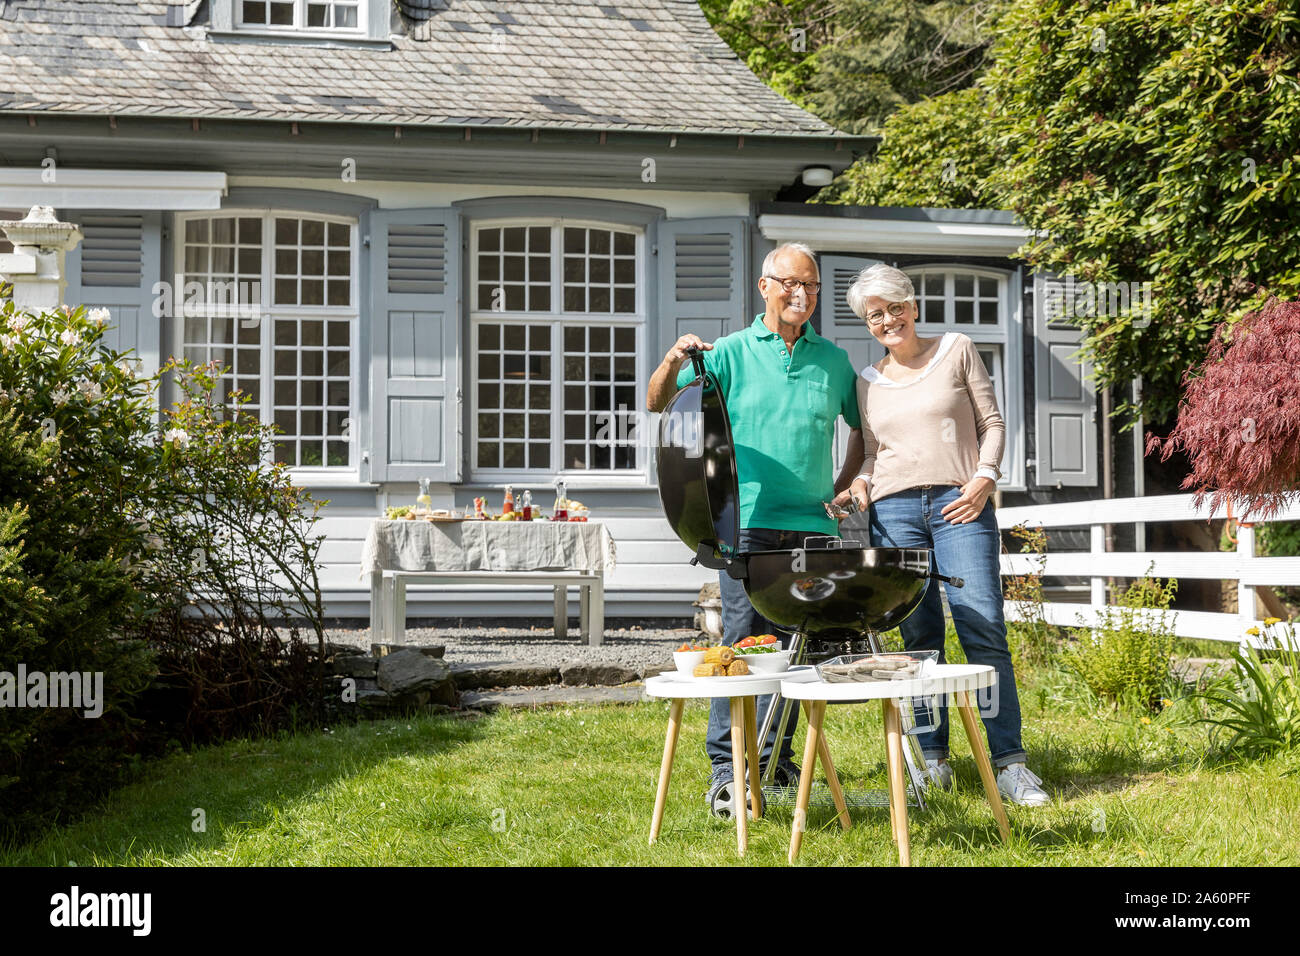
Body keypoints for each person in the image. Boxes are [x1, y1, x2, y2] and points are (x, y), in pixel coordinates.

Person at [647, 242, 864, 812]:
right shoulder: (731, 353)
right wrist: (673, 359)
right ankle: (727, 769)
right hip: (743, 525)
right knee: (742, 647)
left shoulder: (835, 362)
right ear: (765, 286)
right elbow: (658, 403)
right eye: (791, 283)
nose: (802, 295)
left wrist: (845, 482)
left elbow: (863, 428)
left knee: (795, 651)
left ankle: (774, 758)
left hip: (812, 527)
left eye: (813, 287)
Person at [832, 263, 1050, 806]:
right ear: (867, 322)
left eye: (894, 307)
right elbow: (873, 455)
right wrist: (855, 487)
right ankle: (933, 761)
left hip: (959, 506)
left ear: (912, 304)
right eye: (874, 315)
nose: (887, 320)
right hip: (894, 515)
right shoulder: (867, 381)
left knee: (983, 629)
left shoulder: (956, 348)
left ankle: (1010, 765)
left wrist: (985, 478)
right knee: (918, 643)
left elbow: (992, 424)